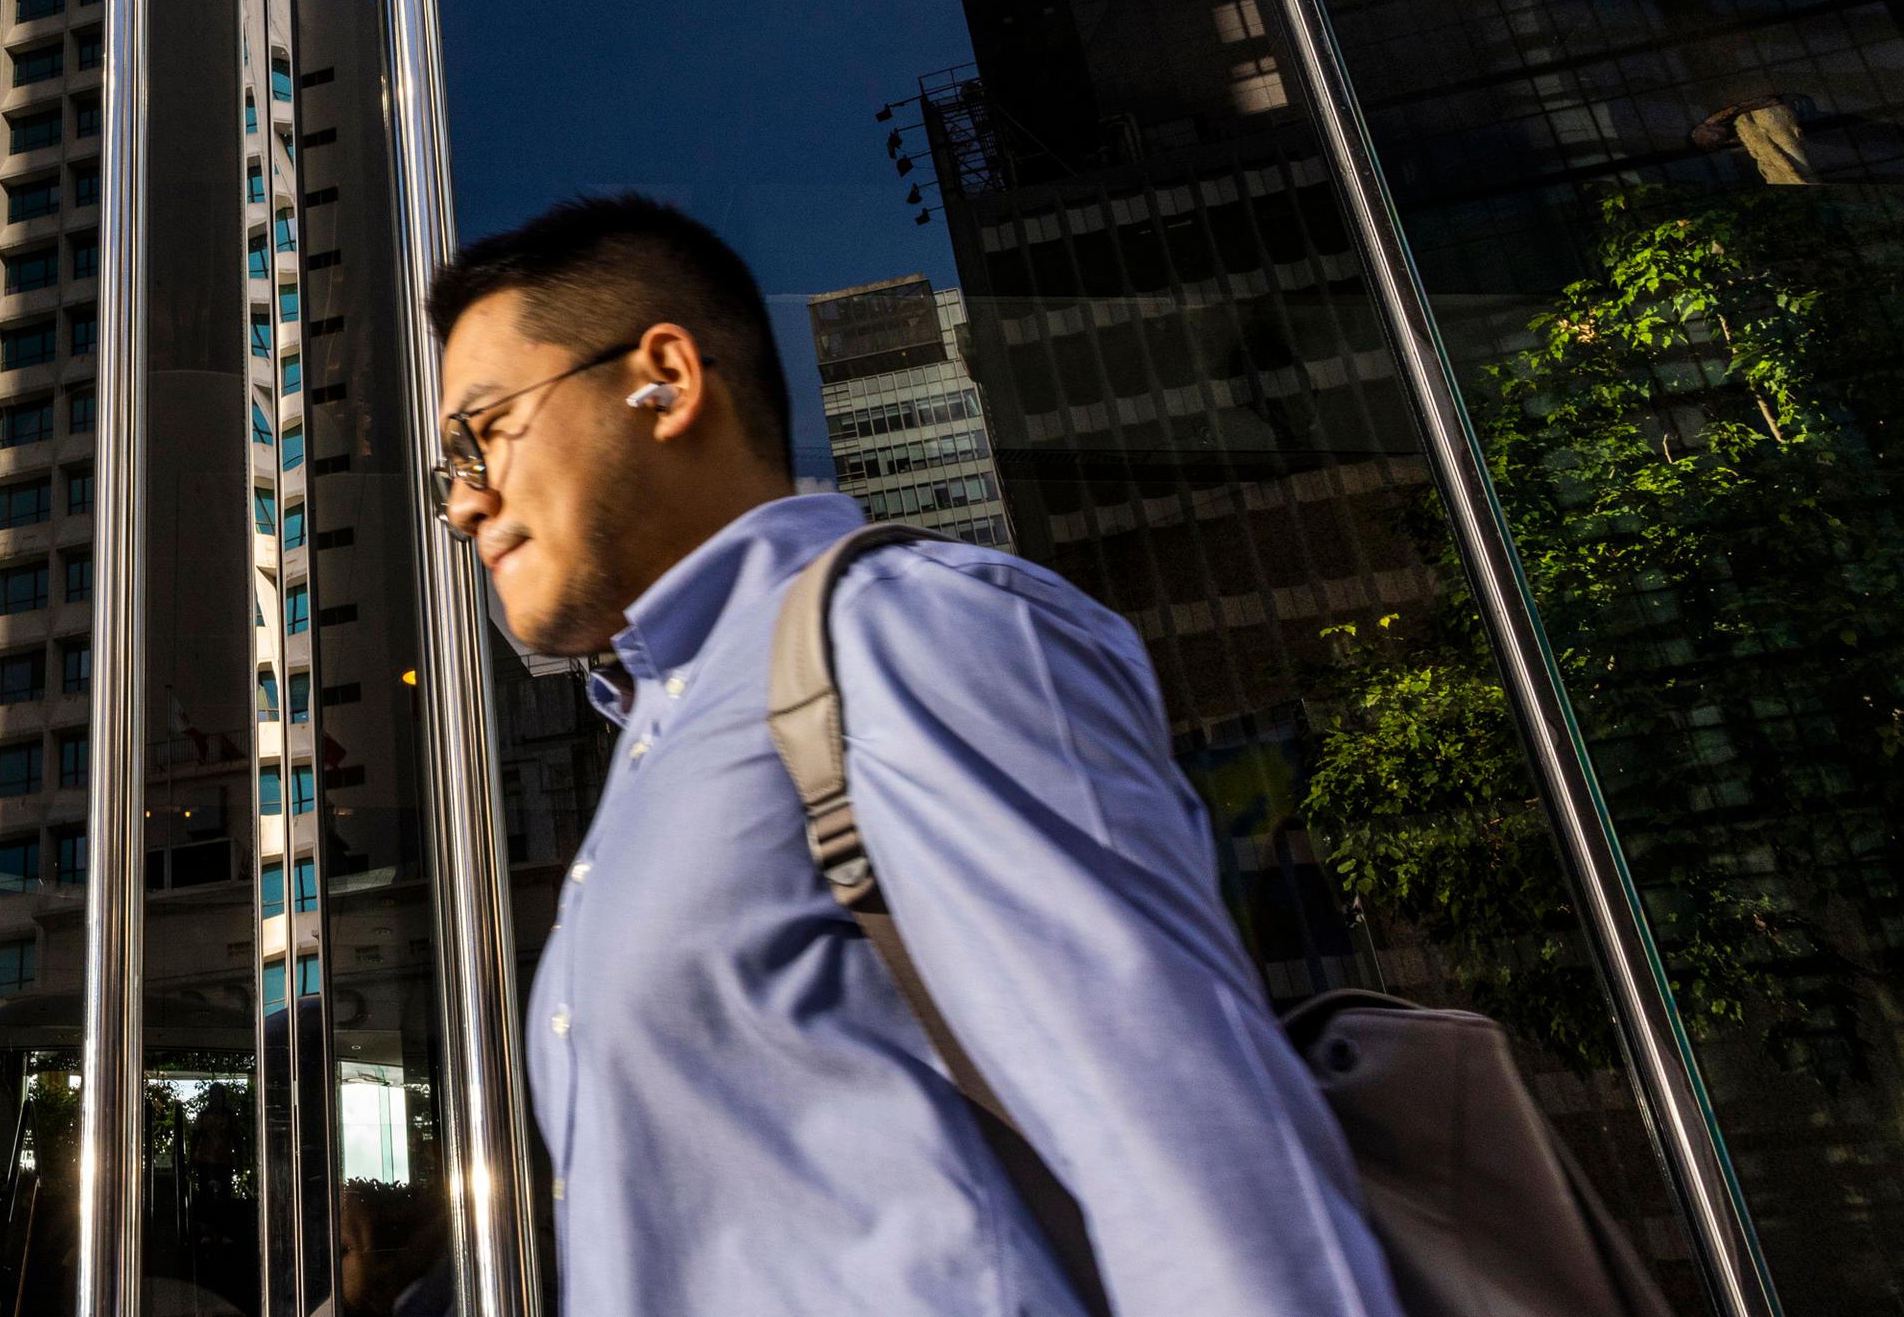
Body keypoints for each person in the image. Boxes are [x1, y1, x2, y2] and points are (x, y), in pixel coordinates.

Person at [426, 192, 1401, 1316]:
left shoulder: (897, 633)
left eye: (485, 426)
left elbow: (1191, 1147)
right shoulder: (660, 740)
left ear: (666, 379)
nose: (464, 500)